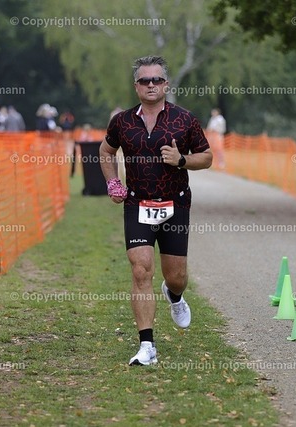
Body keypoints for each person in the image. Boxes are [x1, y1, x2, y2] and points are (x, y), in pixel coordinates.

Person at [98, 55, 212, 366]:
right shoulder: (122, 122)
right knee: (141, 269)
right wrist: (113, 182)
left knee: (176, 277)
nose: (151, 85)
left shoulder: (185, 120)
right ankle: (147, 346)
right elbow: (106, 150)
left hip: (175, 204)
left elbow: (207, 157)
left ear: (166, 84)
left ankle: (174, 295)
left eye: (157, 80)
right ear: (136, 86)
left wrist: (181, 160)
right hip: (137, 204)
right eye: (145, 80)